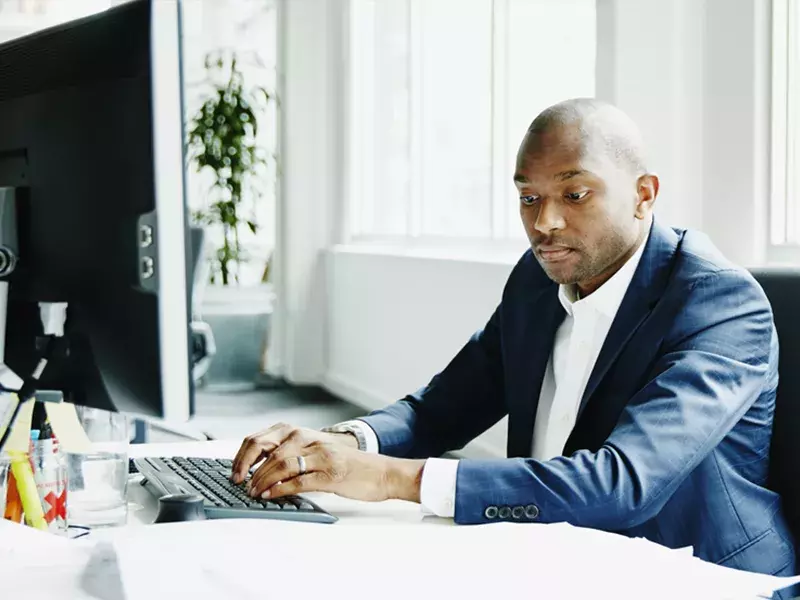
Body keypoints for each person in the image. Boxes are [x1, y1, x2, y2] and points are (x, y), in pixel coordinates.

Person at [232, 98, 796, 583]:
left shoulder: (718, 303)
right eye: (529, 198)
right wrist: (341, 443)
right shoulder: (537, 279)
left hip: (692, 574)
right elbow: (438, 410)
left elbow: (622, 484)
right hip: (555, 551)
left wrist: (383, 477)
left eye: (574, 195)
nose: (544, 222)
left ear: (644, 195)